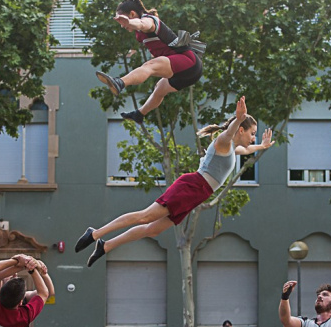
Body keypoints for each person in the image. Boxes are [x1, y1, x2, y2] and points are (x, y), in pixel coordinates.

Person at [75, 96, 273, 267]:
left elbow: (245, 150)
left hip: (196, 195)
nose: (253, 138)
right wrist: (237, 120)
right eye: (252, 133)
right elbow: (229, 133)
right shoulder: (223, 142)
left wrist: (262, 146)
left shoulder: (233, 149)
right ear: (240, 130)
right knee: (144, 217)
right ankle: (95, 233)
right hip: (192, 186)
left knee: (152, 230)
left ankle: (106, 245)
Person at [94, 0, 204, 125]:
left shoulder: (150, 20)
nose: (122, 26)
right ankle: (139, 114)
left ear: (133, 14)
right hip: (184, 75)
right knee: (159, 89)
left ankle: (119, 82)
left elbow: (141, 24)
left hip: (189, 62)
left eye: (122, 21)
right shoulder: (139, 34)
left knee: (149, 66)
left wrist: (129, 22)